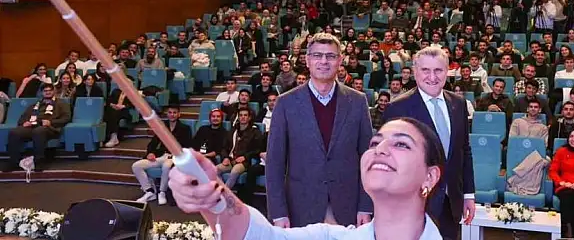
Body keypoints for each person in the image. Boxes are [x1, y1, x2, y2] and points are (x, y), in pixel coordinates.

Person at [168, 117, 446, 239]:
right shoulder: (328, 237)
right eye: (374, 143)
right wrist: (211, 192)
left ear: (430, 176)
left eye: (401, 144)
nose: (380, 149)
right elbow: (260, 237)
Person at [266, 33, 374, 228]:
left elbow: (367, 159)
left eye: (331, 56)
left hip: (348, 207)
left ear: (340, 61)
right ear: (307, 60)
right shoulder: (285, 103)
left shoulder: (358, 102)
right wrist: (278, 212)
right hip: (300, 208)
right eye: (317, 55)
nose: (324, 61)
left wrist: (366, 206)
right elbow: (274, 163)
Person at [383, 46, 475, 239]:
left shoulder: (459, 104)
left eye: (438, 70)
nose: (432, 77)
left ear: (447, 71)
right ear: (415, 72)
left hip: (452, 202)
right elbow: (389, 161)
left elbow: (464, 151)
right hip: (413, 205)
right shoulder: (398, 108)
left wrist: (468, 195)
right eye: (425, 70)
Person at [131, 105, 192, 205]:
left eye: (174, 112)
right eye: (170, 112)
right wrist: (150, 153)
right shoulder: (162, 127)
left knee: (166, 166)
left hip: (175, 157)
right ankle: (149, 191)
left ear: (179, 114)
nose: (172, 115)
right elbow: (153, 143)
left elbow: (188, 146)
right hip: (161, 155)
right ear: (167, 114)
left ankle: (162, 192)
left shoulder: (185, 128)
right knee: (136, 166)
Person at [4, 83, 70, 172]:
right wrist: (24, 123)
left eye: (50, 90)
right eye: (45, 91)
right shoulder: (35, 105)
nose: (48, 92)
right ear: (42, 93)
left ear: (54, 91)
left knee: (39, 131)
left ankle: (39, 162)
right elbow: (23, 117)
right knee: (14, 132)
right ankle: (14, 162)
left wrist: (51, 122)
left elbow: (66, 118)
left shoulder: (61, 103)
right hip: (32, 127)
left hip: (50, 128)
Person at [218, 107, 263, 189]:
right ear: (238, 117)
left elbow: (258, 149)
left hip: (245, 162)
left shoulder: (255, 132)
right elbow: (224, 147)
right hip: (231, 160)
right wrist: (225, 157)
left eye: (245, 115)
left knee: (235, 170)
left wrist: (245, 157)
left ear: (249, 118)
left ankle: (224, 193)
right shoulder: (233, 130)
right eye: (241, 115)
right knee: (215, 169)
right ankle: (221, 190)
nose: (243, 117)